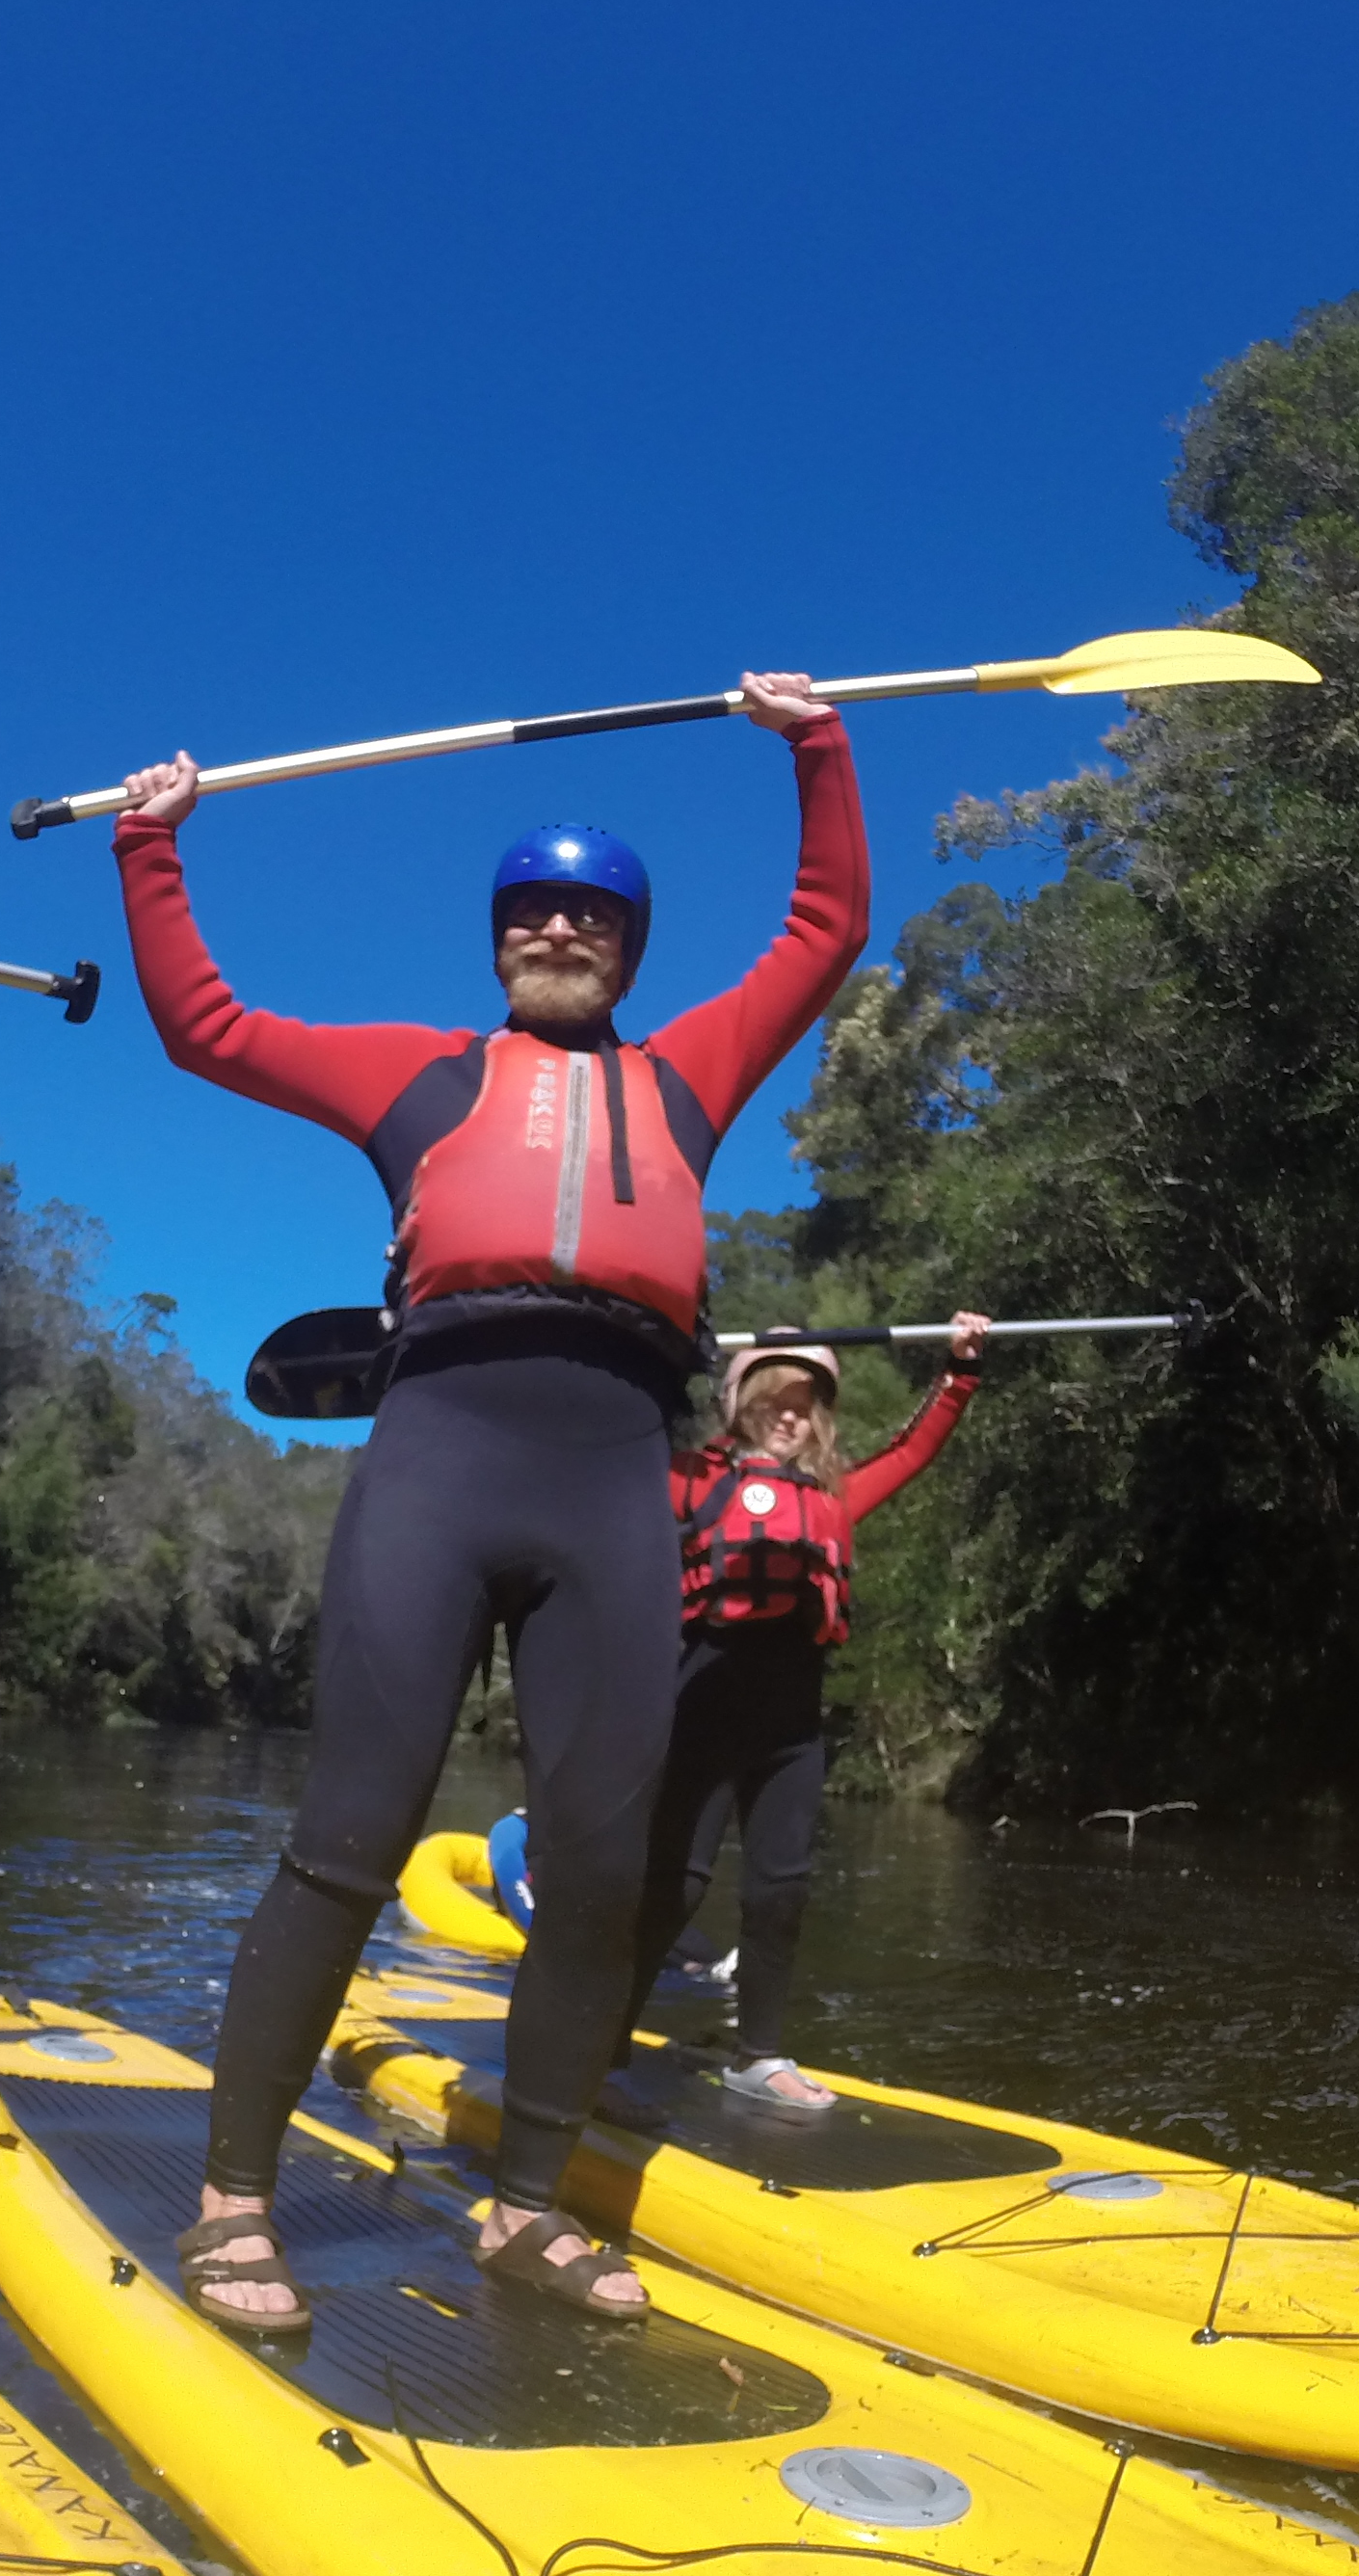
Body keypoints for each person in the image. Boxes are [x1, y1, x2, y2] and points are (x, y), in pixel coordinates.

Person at [114, 671, 866, 2329]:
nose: (560, 929)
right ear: (499, 940)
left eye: (592, 916)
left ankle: (524, 2208)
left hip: (614, 1482)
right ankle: (234, 2198)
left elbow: (825, 930)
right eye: (533, 911)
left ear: (629, 952)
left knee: (602, 1870)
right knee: (349, 1841)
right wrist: (152, 849)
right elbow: (209, 1027)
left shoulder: (689, 1078)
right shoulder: (422, 1080)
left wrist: (814, 745)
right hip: (444, 1457)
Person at [627, 1315, 991, 2111]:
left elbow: (914, 1451)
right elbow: (622, 1444)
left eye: (804, 1406)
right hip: (702, 1706)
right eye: (774, 1400)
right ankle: (602, 2039)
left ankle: (758, 2056)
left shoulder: (834, 1495)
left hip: (791, 1723)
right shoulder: (688, 1479)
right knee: (675, 1885)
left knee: (780, 1891)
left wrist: (959, 1370)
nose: (789, 1416)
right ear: (739, 1403)